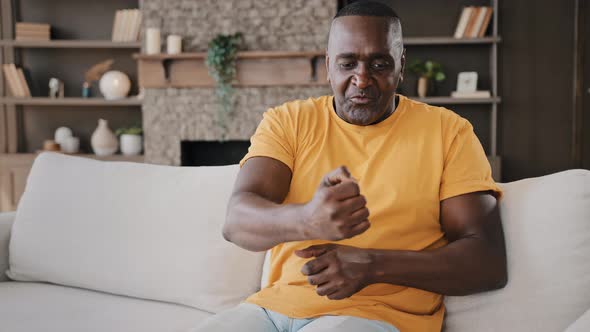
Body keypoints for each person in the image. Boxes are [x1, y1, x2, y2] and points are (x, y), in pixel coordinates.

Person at [194, 1, 507, 331]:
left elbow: (486, 262)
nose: (362, 80)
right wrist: (307, 219)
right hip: (270, 312)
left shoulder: (449, 132)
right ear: (329, 66)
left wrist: (373, 265)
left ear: (401, 65)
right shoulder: (287, 122)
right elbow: (237, 221)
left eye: (379, 64)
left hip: (375, 317)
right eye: (347, 64)